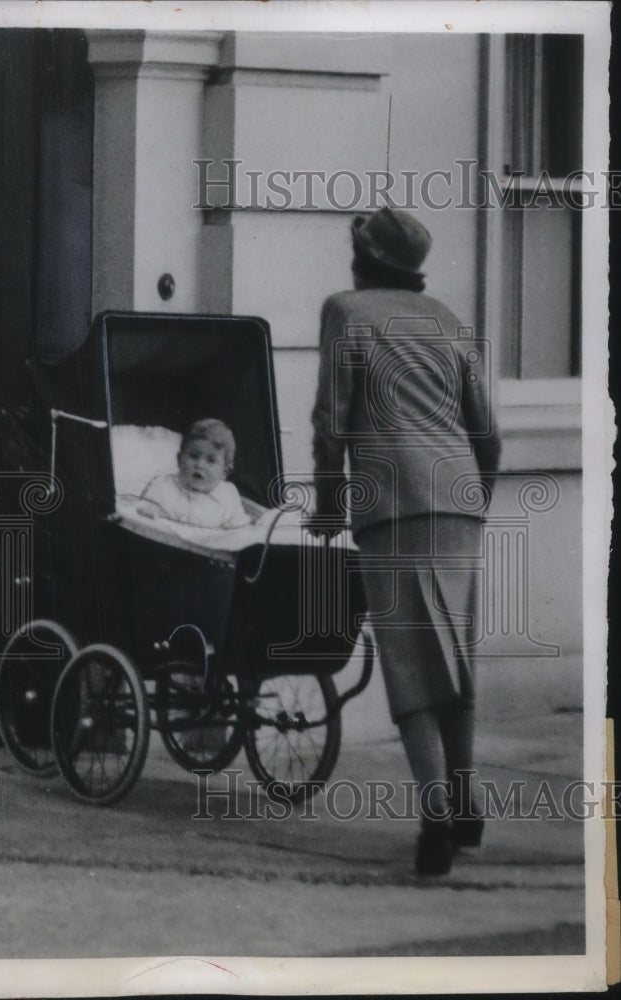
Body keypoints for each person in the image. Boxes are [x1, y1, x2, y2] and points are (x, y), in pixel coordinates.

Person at [311, 207, 501, 876]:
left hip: (394, 504)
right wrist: (475, 494)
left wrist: (328, 505)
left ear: (364, 260)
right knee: (455, 658)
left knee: (411, 667)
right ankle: (465, 799)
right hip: (459, 500)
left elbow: (331, 422)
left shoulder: (346, 311)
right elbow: (486, 432)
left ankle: (435, 824)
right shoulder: (450, 319)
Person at [138, 418, 251, 529]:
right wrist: (151, 512)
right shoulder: (164, 487)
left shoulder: (227, 494)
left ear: (224, 472)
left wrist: (236, 527)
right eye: (194, 456)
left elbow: (239, 525)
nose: (200, 465)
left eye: (211, 460)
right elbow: (145, 509)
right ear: (179, 459)